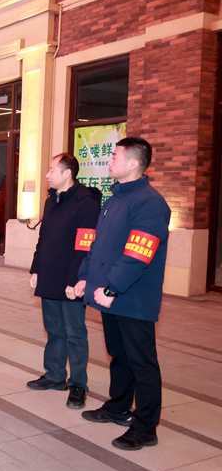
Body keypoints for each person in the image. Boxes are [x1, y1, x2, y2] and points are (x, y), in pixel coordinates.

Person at [75, 137, 170, 451]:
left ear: (133, 163)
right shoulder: (115, 199)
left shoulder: (150, 203)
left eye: (114, 156)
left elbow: (138, 253)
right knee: (119, 355)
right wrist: (85, 277)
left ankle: (145, 427)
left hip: (132, 298)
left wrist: (112, 287)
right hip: (109, 295)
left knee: (142, 362)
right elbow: (97, 245)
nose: (109, 161)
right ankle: (117, 407)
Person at [28, 153, 100, 409]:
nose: (47, 175)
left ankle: (78, 384)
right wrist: (36, 269)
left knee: (75, 333)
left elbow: (85, 245)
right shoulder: (51, 200)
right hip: (49, 275)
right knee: (54, 329)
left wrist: (75, 279)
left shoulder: (86, 202)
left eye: (52, 170)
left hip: (71, 279)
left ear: (67, 173)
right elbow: (43, 238)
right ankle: (55, 375)